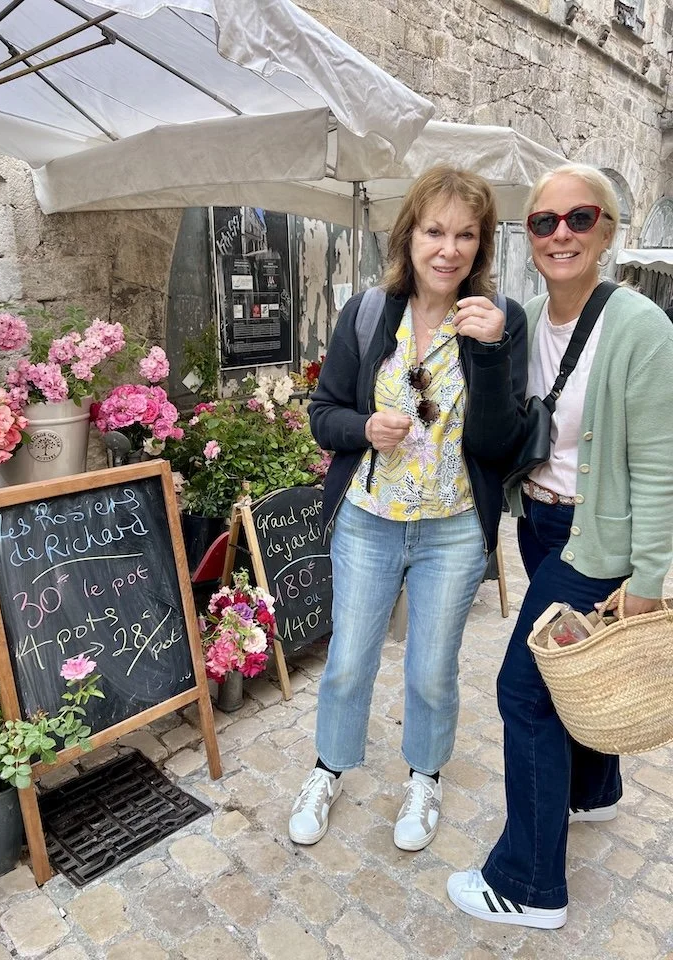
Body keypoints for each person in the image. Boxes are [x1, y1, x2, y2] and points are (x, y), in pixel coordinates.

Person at [448, 164, 673, 928]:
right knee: (579, 667)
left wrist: (649, 580)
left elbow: (660, 466)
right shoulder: (526, 321)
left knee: (524, 691)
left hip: (595, 540)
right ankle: (594, 790)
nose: (561, 234)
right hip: (539, 523)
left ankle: (529, 884)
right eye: (544, 222)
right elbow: (506, 430)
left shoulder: (640, 327)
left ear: (607, 230)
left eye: (580, 218)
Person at [287, 164, 527, 852]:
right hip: (368, 521)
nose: (448, 249)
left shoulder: (499, 320)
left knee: (430, 670)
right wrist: (364, 427)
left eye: (465, 235)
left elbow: (500, 442)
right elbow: (323, 413)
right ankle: (329, 768)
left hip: (453, 529)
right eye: (434, 232)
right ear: (409, 236)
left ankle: (425, 776)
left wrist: (490, 353)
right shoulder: (368, 313)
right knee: (348, 660)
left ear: (481, 245)